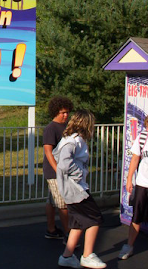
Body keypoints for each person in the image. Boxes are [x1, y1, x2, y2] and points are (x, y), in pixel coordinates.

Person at [53, 109, 106, 269]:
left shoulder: (70, 139)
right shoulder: (73, 141)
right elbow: (63, 164)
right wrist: (79, 173)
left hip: (71, 189)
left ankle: (66, 256)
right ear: (86, 124)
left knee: (77, 223)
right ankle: (87, 255)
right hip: (75, 189)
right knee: (94, 219)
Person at [118, 115, 148, 260]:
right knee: (137, 217)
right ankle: (129, 246)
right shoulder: (142, 138)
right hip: (143, 184)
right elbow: (135, 158)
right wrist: (129, 179)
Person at [43, 96, 73, 239]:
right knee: (63, 203)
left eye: (67, 112)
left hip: (62, 170)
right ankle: (68, 232)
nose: (66, 115)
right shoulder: (51, 128)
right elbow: (48, 151)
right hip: (54, 171)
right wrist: (58, 170)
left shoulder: (66, 127)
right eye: (63, 113)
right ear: (56, 112)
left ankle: (51, 230)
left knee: (52, 201)